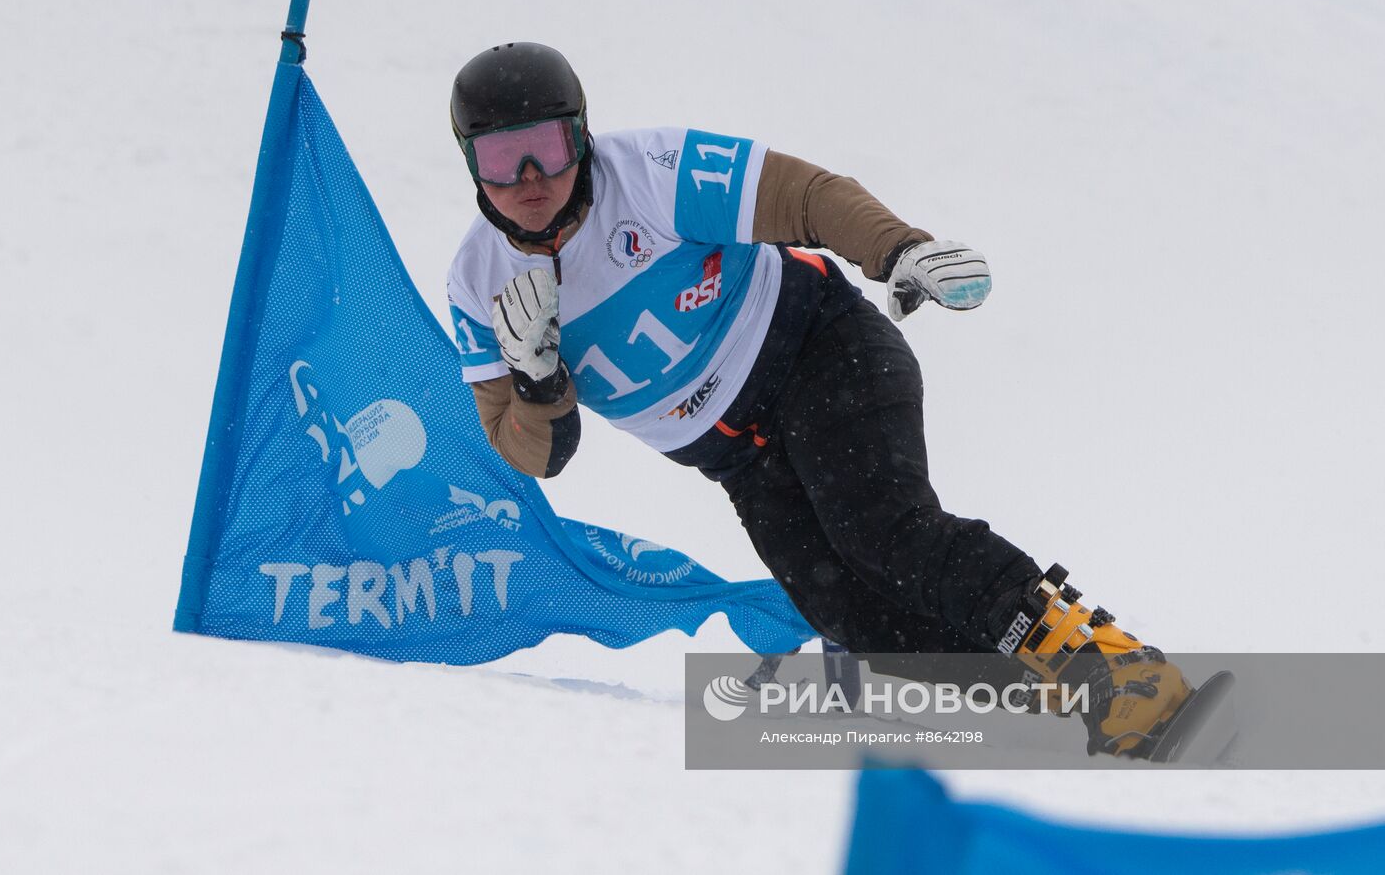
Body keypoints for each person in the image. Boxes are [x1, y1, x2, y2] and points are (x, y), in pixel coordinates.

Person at [445, 42, 1192, 758]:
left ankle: (1119, 671)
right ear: (471, 166)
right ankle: (1074, 696)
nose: (532, 177)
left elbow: (803, 195)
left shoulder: (651, 172)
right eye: (502, 159)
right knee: (855, 619)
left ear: (582, 134)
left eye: (547, 144)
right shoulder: (477, 283)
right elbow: (534, 454)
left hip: (820, 352)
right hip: (741, 458)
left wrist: (897, 248)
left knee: (889, 536)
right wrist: (537, 384)